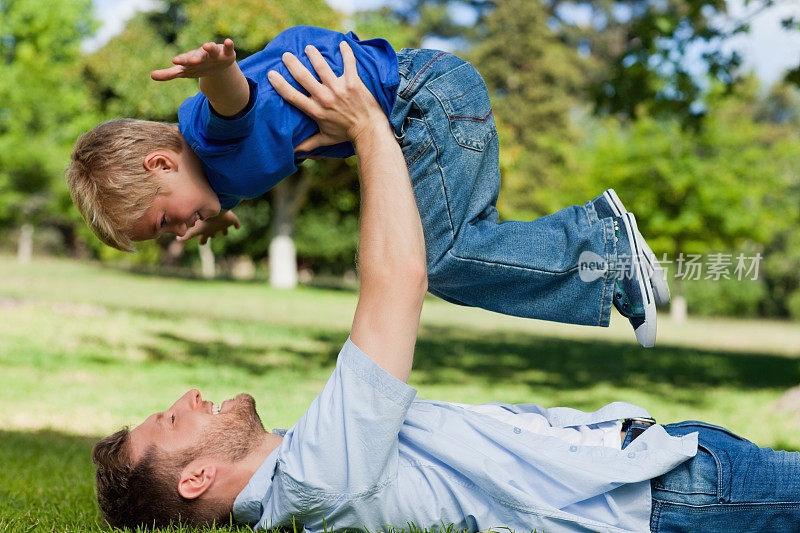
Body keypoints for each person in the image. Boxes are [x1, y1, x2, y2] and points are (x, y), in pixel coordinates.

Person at [91, 46, 800, 533]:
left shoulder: (306, 461)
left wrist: (210, 202)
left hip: (668, 463)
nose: (186, 397)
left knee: (455, 250)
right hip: (672, 494)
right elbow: (399, 280)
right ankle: (603, 247)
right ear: (197, 479)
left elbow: (227, 110)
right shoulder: (316, 478)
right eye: (172, 421)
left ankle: (602, 250)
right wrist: (367, 126)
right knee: (448, 253)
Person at [66, 26, 669, 347]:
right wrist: (217, 215)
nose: (180, 231)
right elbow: (225, 180)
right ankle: (610, 270)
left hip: (424, 98)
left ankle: (603, 242)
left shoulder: (205, 129)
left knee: (437, 257)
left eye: (167, 221)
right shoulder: (213, 179)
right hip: (416, 112)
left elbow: (235, 105)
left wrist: (217, 70)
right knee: (432, 262)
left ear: (160, 165)